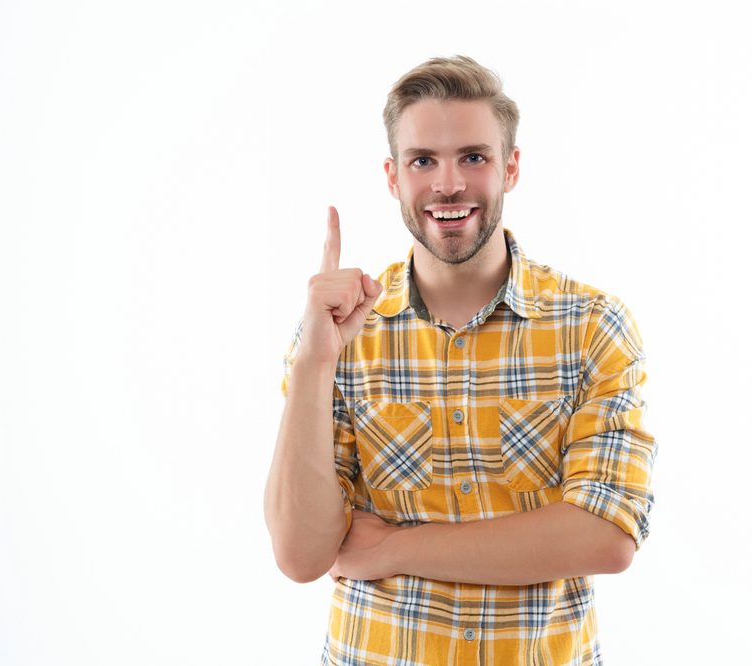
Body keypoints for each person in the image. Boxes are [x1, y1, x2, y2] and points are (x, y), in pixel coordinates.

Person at [264, 54, 657, 666]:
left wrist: (393, 548)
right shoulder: (341, 334)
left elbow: (605, 536)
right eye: (424, 160)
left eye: (473, 156)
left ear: (512, 168)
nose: (448, 184)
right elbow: (300, 555)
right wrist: (315, 364)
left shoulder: (591, 325)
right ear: (394, 177)